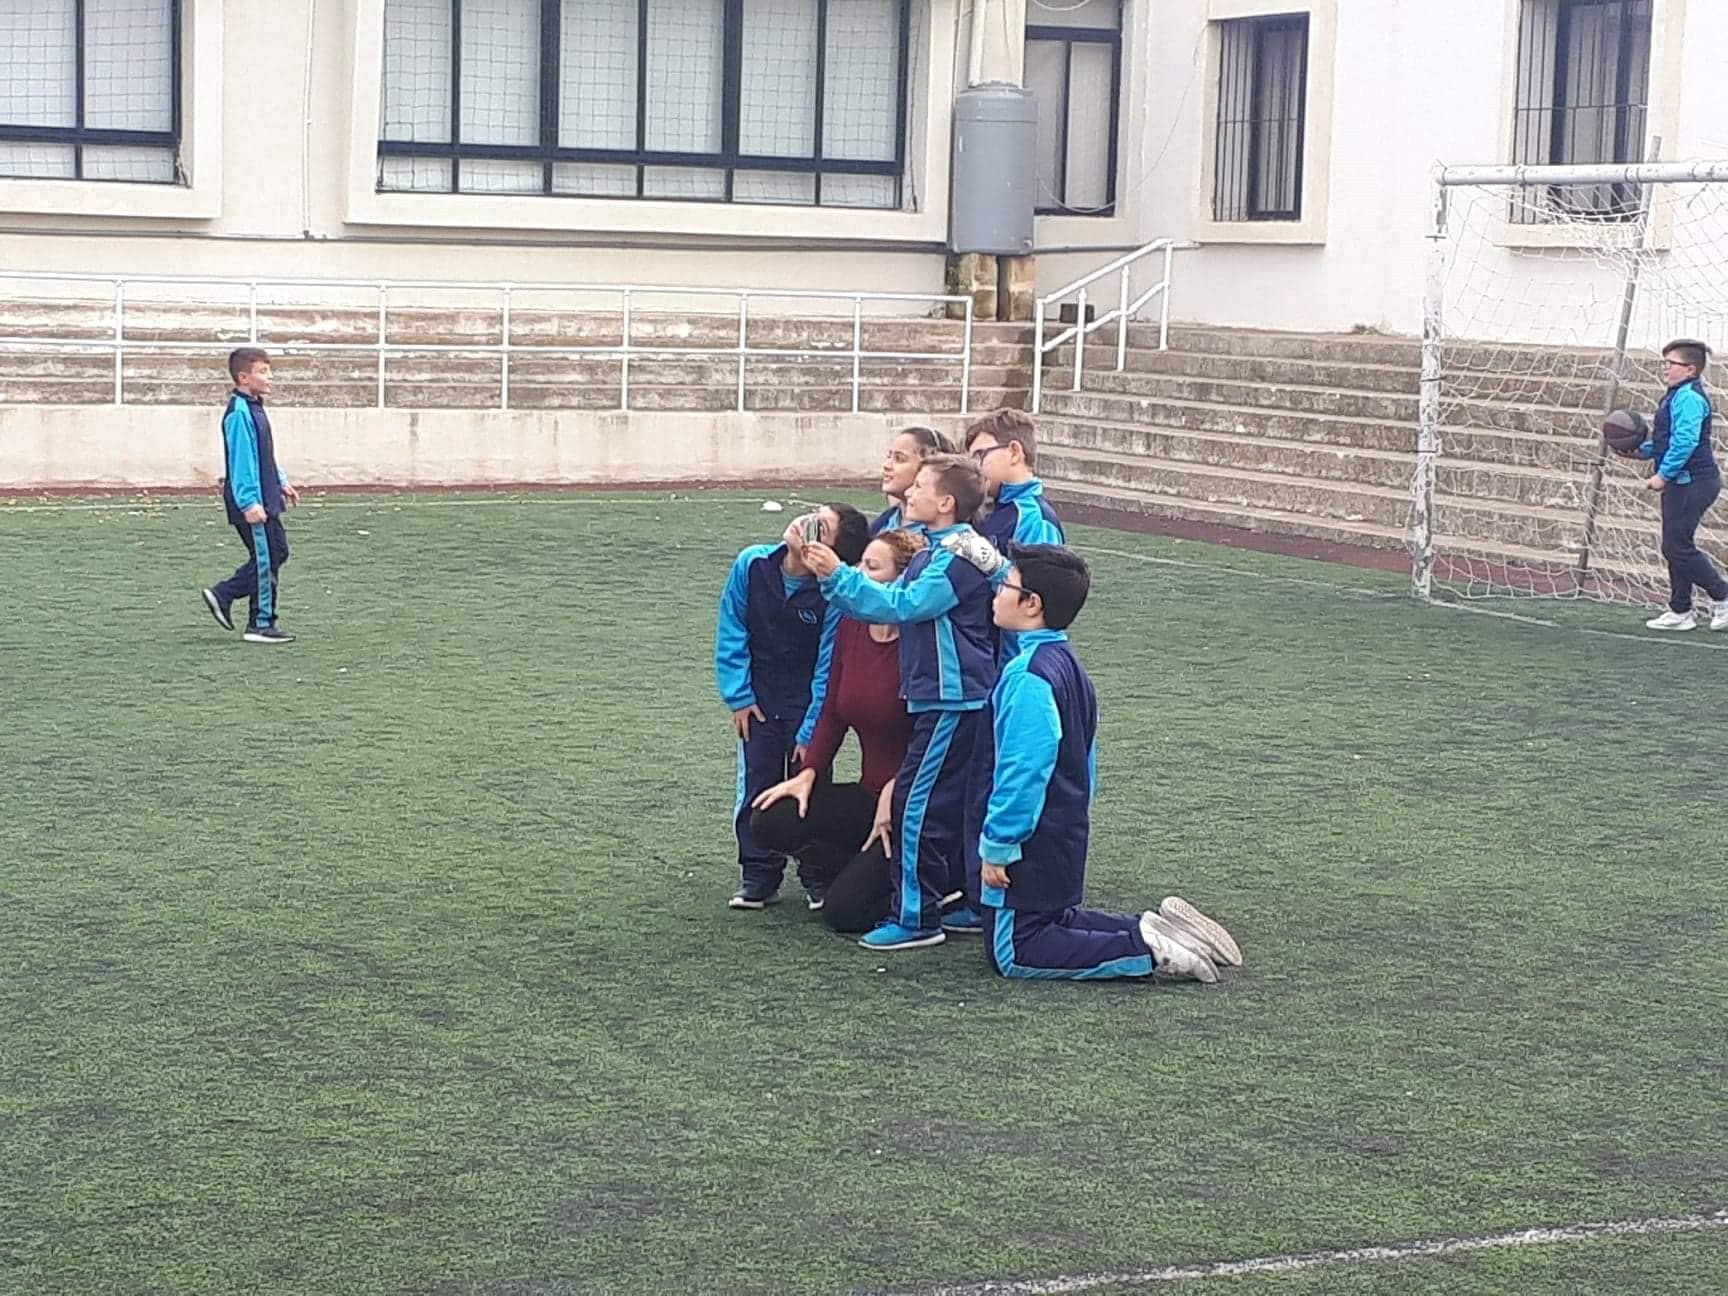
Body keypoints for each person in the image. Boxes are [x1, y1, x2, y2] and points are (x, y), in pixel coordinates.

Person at [970, 543, 1242, 982]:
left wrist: (999, 844)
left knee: (1016, 951)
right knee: (1050, 922)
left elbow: (1022, 770)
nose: (997, 594)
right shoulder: (1067, 663)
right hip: (1062, 830)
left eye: (1006, 585)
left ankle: (1150, 950)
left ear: (1031, 604)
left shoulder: (1028, 675)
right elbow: (1084, 758)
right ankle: (1152, 928)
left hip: (1031, 841)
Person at [801, 455, 999, 950]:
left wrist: (837, 576)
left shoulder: (955, 556)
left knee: (914, 807)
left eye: (921, 487)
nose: (909, 492)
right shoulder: (950, 550)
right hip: (952, 696)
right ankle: (969, 901)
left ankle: (916, 918)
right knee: (953, 803)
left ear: (946, 502)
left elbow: (903, 607)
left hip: (952, 700)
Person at [748, 529, 926, 930]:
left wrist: (898, 791)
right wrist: (808, 771)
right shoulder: (853, 624)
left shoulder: (924, 640)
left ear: (902, 583)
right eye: (859, 563)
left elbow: (933, 735)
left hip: (918, 801)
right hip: (870, 795)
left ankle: (940, 882)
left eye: (871, 567)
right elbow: (833, 707)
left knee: (845, 914)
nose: (857, 573)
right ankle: (860, 864)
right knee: (771, 818)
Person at [716, 503, 871, 910]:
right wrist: (739, 696)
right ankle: (758, 874)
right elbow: (732, 628)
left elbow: (828, 666)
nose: (804, 523)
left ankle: (817, 875)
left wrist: (812, 729)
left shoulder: (833, 595)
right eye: (810, 514)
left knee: (811, 789)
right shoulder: (751, 564)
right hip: (760, 703)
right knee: (757, 784)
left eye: (820, 527)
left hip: (809, 706)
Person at [1622, 339, 1728, 632]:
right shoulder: (1675, 395)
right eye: (1665, 363)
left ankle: (1722, 594)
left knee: (1677, 546)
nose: (1665, 369)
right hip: (1683, 482)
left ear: (1691, 369)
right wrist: (1640, 451)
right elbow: (1665, 441)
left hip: (1693, 482)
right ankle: (1680, 609)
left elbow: (1685, 442)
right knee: (1676, 545)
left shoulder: (1690, 398)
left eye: (1672, 364)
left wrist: (1663, 475)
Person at [201, 348, 300, 644]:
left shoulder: (255, 407)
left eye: (269, 371)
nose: (269, 378)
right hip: (253, 502)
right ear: (244, 377)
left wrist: (280, 480)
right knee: (268, 556)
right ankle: (250, 615)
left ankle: (254, 616)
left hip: (267, 497)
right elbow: (241, 461)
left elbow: (264, 455)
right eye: (262, 372)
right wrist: (248, 502)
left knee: (273, 553)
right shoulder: (239, 413)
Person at [963, 409, 1066, 659]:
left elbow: (1041, 602)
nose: (974, 469)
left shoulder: (1034, 518)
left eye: (980, 456)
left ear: (1014, 452)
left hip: (1014, 661)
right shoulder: (991, 511)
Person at [873, 425, 954, 534]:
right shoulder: (882, 523)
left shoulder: (943, 533)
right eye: (888, 456)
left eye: (899, 459)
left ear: (928, 466)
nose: (886, 465)